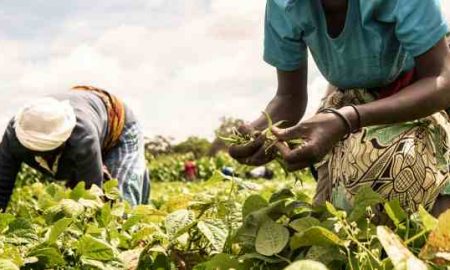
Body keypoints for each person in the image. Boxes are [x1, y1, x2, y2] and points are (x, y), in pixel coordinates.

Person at [229, 0, 450, 217]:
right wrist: (263, 132)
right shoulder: (283, 4)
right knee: (337, 213)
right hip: (351, 102)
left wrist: (347, 120)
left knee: (395, 170)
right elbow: (289, 97)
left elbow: (442, 81)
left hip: (420, 98)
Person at [0, 86, 150, 210]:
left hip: (118, 126)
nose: (45, 157)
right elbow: (2, 185)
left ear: (64, 140)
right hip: (88, 125)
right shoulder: (14, 136)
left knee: (121, 205)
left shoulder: (82, 137)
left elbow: (91, 195)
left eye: (50, 151)